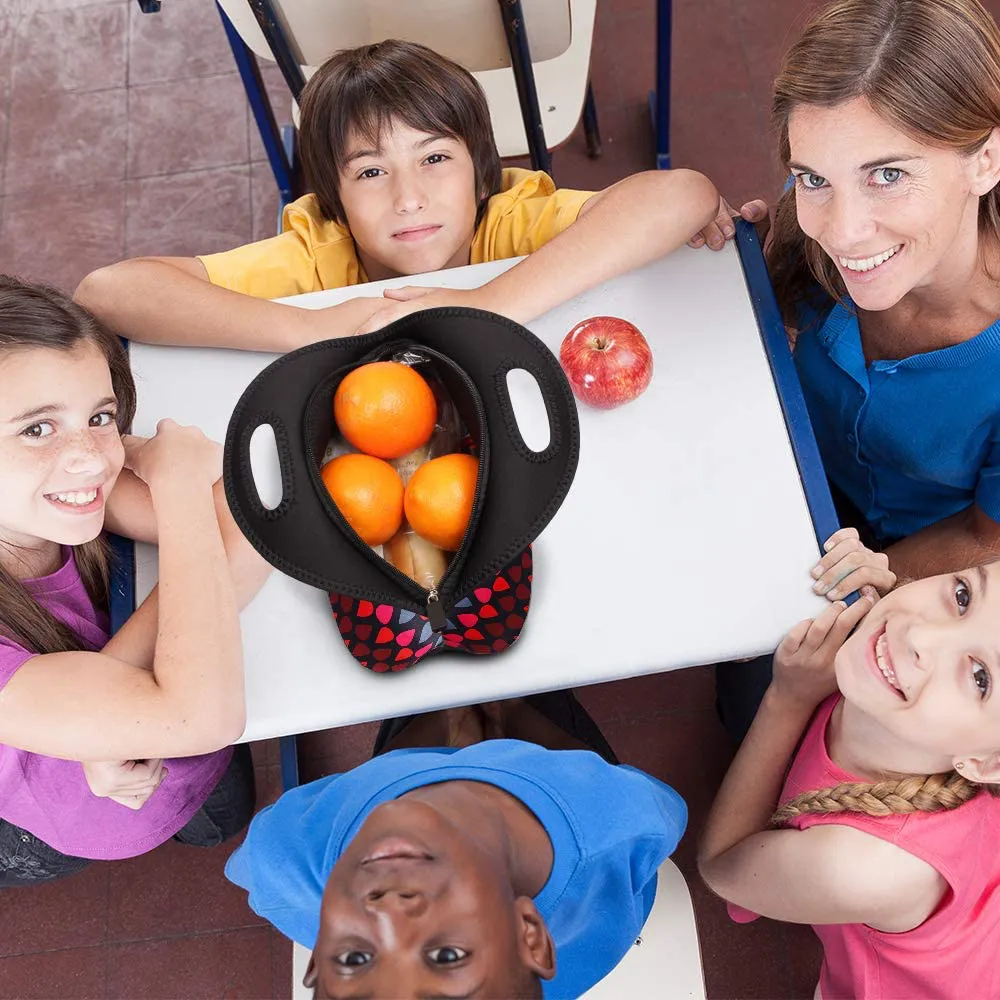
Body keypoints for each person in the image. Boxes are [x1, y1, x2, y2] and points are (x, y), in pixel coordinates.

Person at [693, 0, 1000, 739]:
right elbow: (780, 293)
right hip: (809, 479)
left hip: (933, 548)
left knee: (763, 707)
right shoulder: (813, 223)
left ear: (985, 159)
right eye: (813, 177)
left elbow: (989, 532)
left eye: (887, 174)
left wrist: (877, 577)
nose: (840, 229)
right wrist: (737, 254)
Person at [73, 39, 721, 352]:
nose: (409, 198)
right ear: (333, 196)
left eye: (435, 159)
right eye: (371, 173)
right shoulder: (321, 256)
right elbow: (108, 291)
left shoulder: (507, 221)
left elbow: (683, 194)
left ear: (481, 169)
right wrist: (301, 327)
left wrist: (490, 302)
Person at [0, 276, 271, 885]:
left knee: (220, 815)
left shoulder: (57, 487)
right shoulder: (66, 485)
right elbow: (203, 714)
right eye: (36, 428)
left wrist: (129, 697)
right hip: (72, 820)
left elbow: (254, 520)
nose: (94, 457)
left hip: (157, 762)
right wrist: (180, 496)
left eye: (100, 416)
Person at [225, 693, 687, 999]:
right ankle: (508, 707)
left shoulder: (292, 856)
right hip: (563, 787)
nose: (385, 909)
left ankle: (447, 718)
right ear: (528, 930)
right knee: (543, 707)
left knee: (415, 729)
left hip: (405, 768)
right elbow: (658, 809)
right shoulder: (607, 824)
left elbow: (262, 866)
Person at [698, 538, 1000, 1000]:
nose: (920, 635)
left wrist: (789, 698)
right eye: (962, 595)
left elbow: (720, 865)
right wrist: (872, 588)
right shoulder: (911, 705)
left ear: (983, 764)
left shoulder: (867, 867)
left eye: (980, 678)